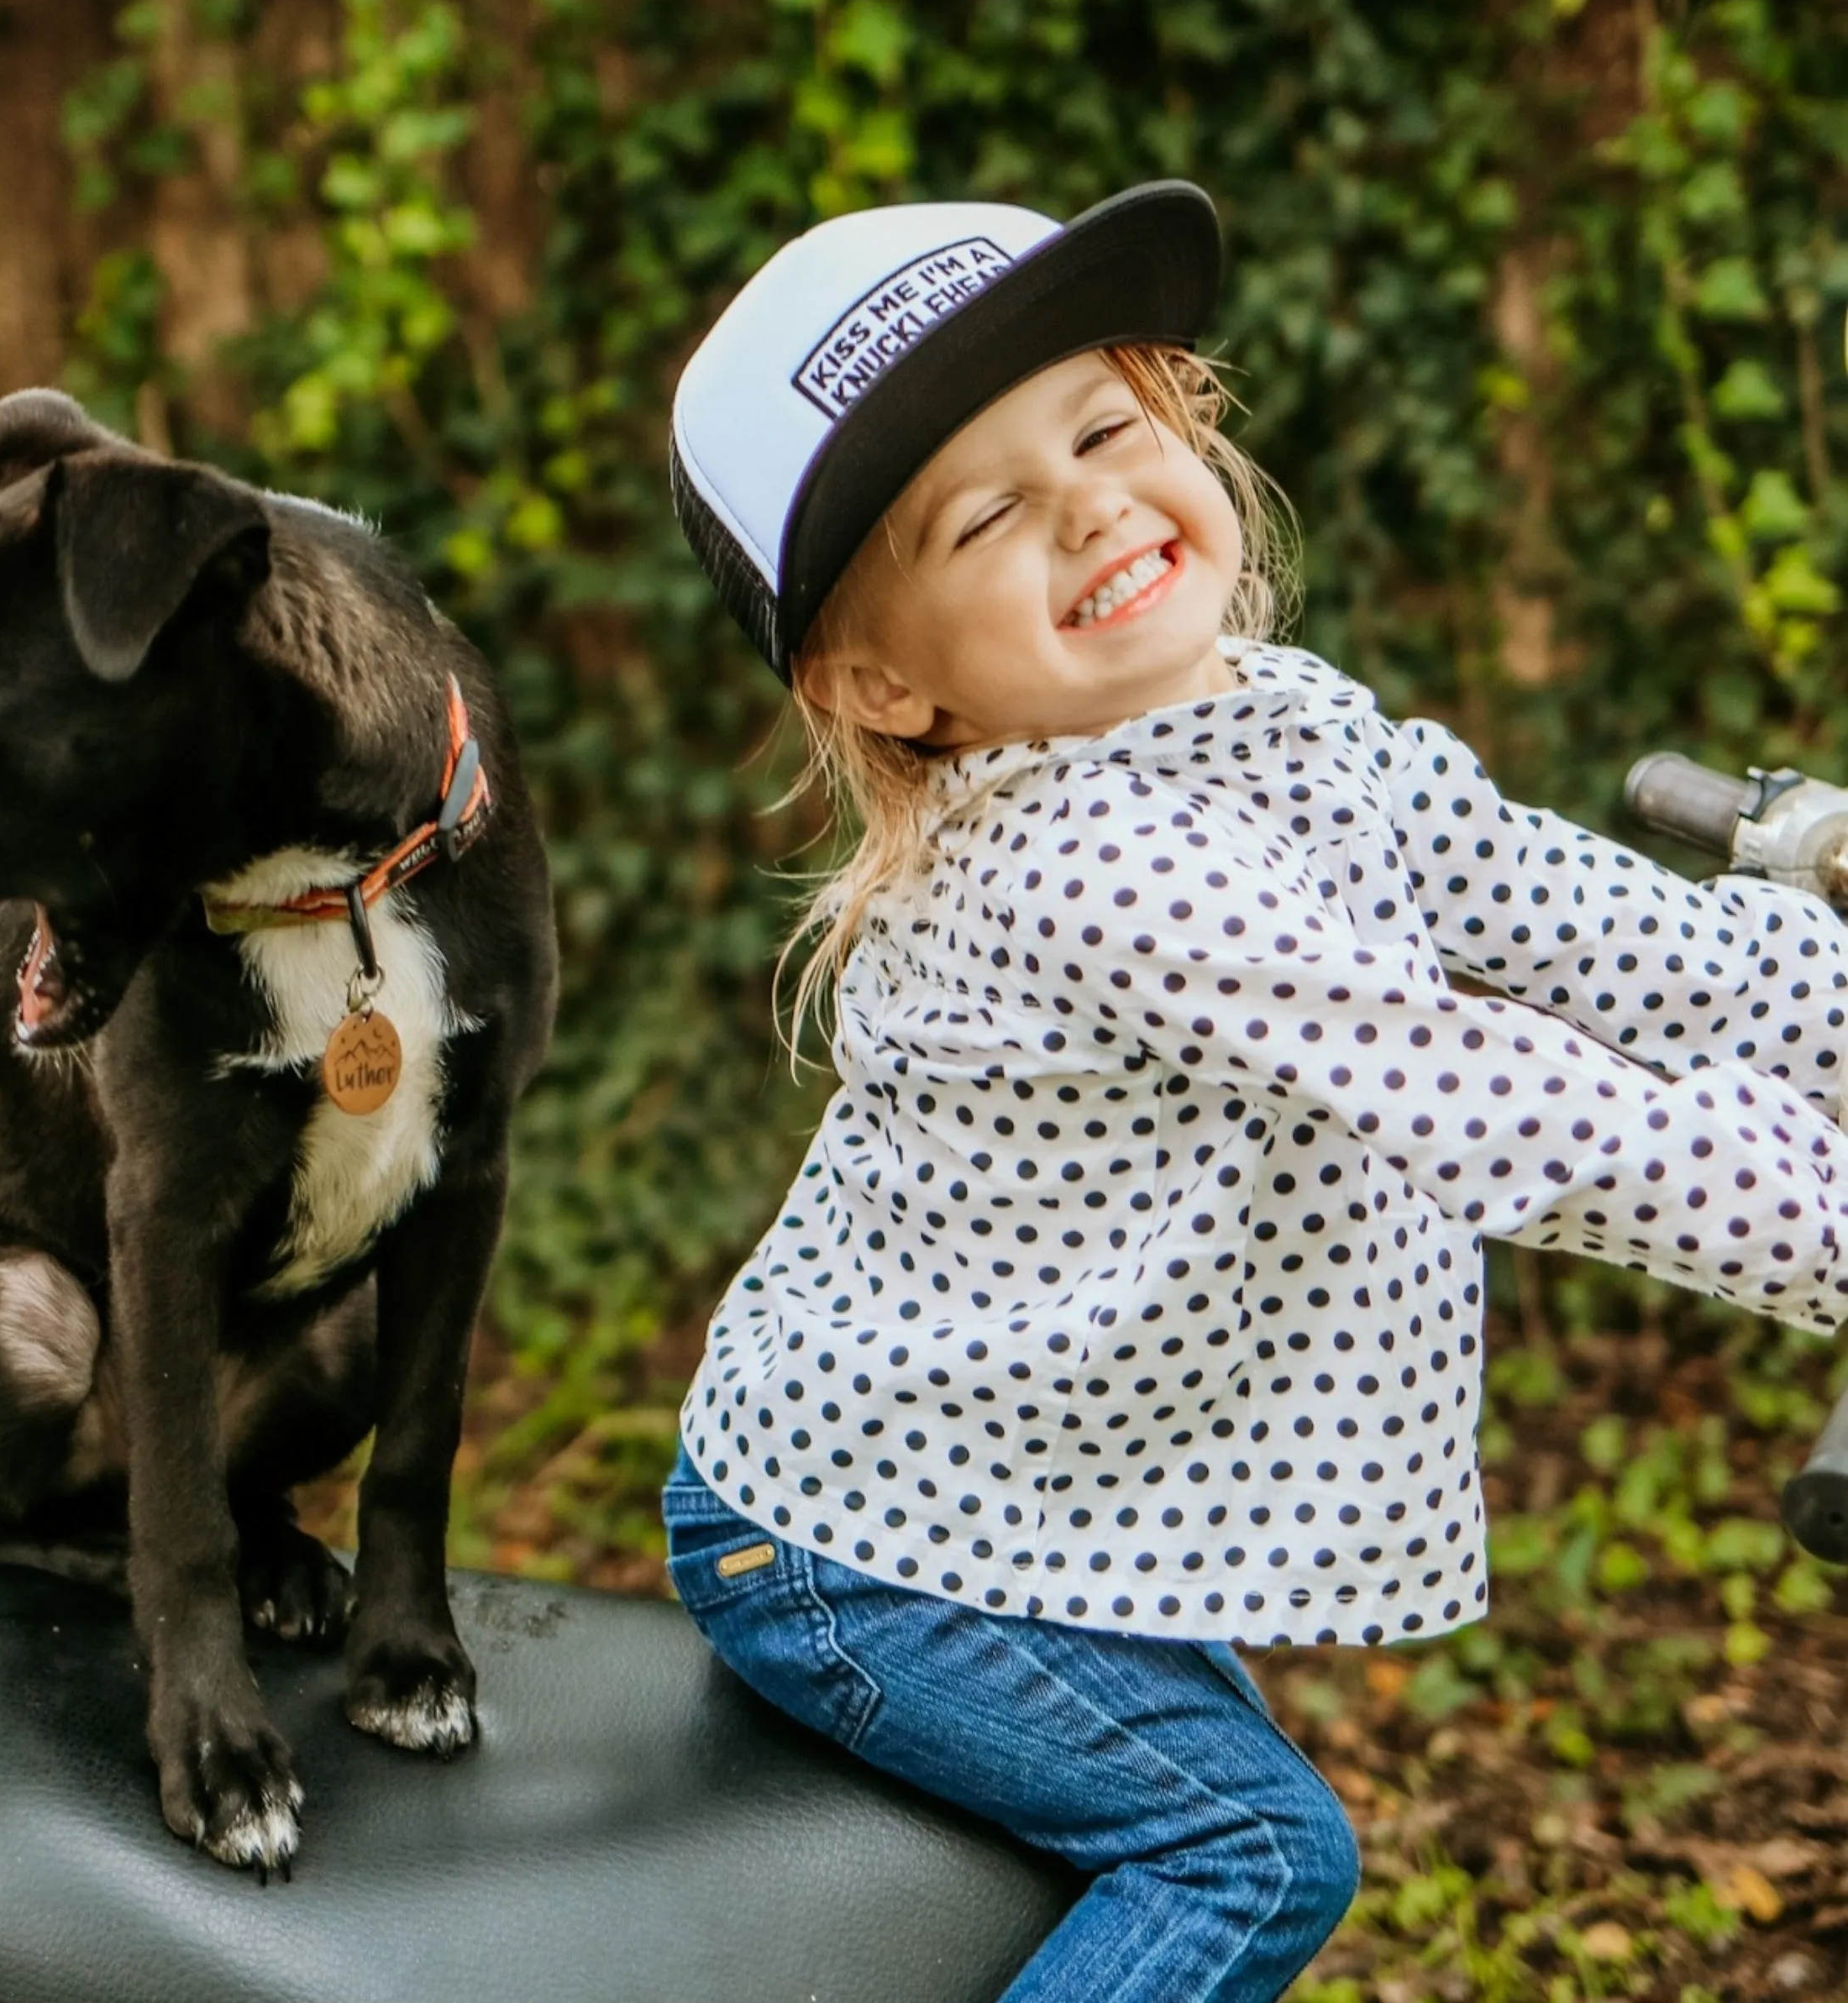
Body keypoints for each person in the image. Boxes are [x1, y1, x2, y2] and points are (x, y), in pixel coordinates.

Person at [659, 180, 1848, 2000]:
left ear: (1185, 420)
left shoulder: (1280, 722)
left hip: (993, 1478)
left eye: (1105, 425)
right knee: (1248, 1847)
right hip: (850, 1538)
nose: (1085, 504)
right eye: (985, 514)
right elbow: (1498, 1093)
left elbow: (1599, 927)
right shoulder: (1096, 865)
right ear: (883, 681)